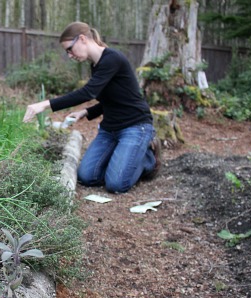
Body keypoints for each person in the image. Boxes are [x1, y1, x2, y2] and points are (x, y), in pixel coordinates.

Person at [22, 21, 161, 193]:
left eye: (69, 49)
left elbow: (87, 93)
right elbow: (113, 99)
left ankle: (148, 158)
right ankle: (123, 155)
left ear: (82, 39)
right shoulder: (95, 66)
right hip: (110, 129)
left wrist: (44, 105)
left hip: (135, 126)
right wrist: (86, 112)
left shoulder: (112, 59)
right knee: (88, 177)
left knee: (116, 184)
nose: (70, 56)